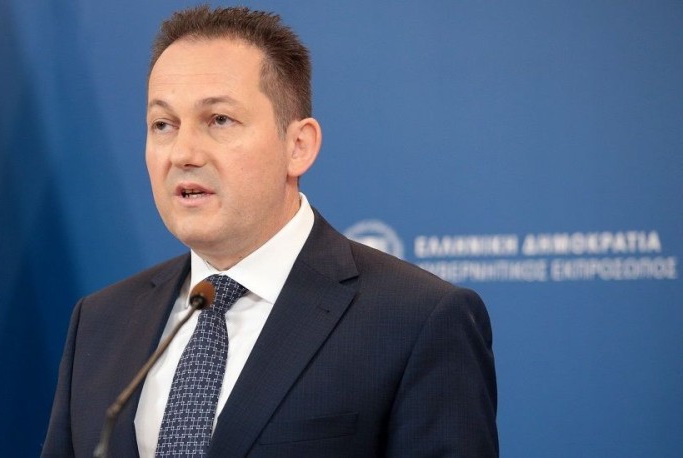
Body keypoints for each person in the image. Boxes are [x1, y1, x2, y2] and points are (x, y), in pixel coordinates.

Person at [43, 5, 497, 457]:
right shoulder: (100, 323)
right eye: (163, 125)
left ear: (298, 146)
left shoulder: (415, 320)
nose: (182, 153)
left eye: (219, 120)